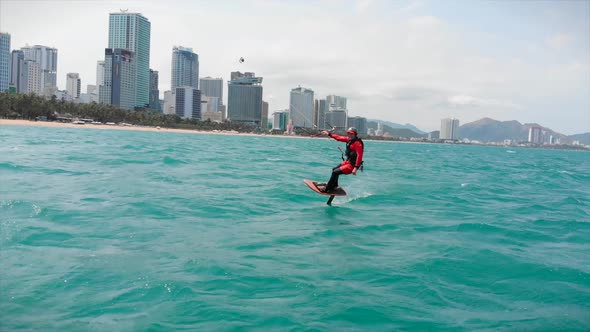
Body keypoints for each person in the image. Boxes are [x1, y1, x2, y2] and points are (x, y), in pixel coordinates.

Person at [320, 127, 364, 193]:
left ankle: (327, 189)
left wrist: (355, 168)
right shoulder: (349, 140)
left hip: (352, 165)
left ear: (355, 134)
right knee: (334, 169)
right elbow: (338, 137)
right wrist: (329, 134)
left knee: (335, 172)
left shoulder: (357, 143)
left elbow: (359, 155)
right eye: (348, 133)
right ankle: (335, 186)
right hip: (348, 162)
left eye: (351, 133)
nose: (349, 135)